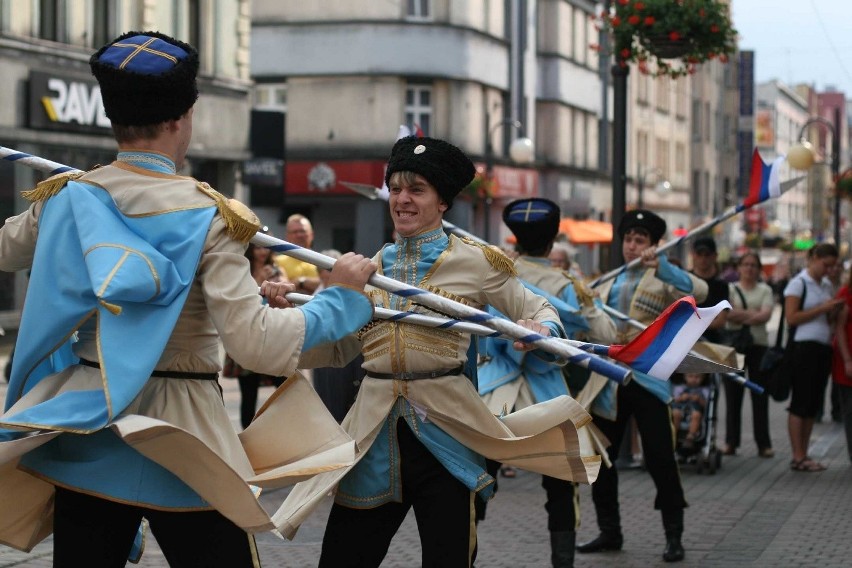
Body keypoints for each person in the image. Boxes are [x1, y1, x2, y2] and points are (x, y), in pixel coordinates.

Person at [0, 31, 378, 567]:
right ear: (183, 116)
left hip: (89, 426)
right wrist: (339, 299)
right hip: (184, 439)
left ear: (112, 117)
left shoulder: (66, 198)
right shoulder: (212, 215)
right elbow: (256, 348)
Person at [273, 136, 599, 567]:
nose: (402, 200)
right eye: (397, 188)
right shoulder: (369, 269)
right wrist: (283, 317)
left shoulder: (479, 262)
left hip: (448, 433)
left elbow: (537, 306)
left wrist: (541, 326)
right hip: (373, 435)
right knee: (343, 557)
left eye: (417, 190)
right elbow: (337, 350)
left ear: (443, 201)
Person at [476, 197, 618, 567]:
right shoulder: (568, 285)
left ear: (514, 239)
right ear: (553, 240)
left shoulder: (494, 273)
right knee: (561, 485)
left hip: (493, 391)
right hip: (546, 391)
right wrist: (589, 302)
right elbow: (606, 334)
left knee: (472, 483)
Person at [577, 209, 709, 563]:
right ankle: (610, 531)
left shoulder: (664, 278)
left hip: (648, 379)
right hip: (607, 381)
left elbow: (701, 289)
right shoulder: (606, 281)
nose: (633, 246)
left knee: (660, 458)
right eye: (629, 239)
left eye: (641, 241)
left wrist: (661, 265)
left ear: (653, 245)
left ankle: (673, 535)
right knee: (602, 459)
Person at [784, 243, 842, 472]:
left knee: (813, 403)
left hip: (823, 347)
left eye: (832, 267)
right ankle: (797, 455)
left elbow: (827, 318)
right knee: (800, 401)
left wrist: (833, 311)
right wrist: (822, 308)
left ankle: (804, 453)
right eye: (826, 265)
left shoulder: (826, 285)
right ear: (814, 258)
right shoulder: (798, 283)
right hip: (803, 348)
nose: (828, 270)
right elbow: (791, 317)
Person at [229, 236, 288, 429]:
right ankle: (247, 437)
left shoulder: (277, 270)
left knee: (287, 388)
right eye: (258, 248)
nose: (263, 252)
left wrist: (279, 282)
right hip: (247, 333)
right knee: (248, 392)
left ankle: (285, 429)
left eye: (266, 248)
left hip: (273, 335)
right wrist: (260, 279)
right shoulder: (242, 270)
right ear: (251, 249)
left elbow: (288, 297)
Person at [722, 251, 775, 457]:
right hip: (734, 346)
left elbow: (766, 316)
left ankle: (764, 444)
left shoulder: (766, 290)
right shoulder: (730, 289)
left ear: (759, 269)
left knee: (760, 394)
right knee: (732, 395)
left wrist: (740, 315)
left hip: (759, 346)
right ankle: (731, 442)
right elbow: (727, 314)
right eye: (746, 264)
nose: (749, 269)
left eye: (753, 265)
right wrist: (753, 314)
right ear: (739, 268)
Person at [311, 248, 366, 422]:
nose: (334, 274)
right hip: (324, 364)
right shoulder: (313, 298)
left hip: (352, 361)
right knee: (330, 411)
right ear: (320, 274)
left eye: (336, 268)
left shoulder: (356, 294)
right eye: (328, 269)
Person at [690, 236, 729, 345]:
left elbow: (720, 321)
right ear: (693, 255)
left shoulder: (721, 285)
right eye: (699, 254)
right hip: (686, 342)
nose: (703, 258)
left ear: (714, 256)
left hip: (713, 342)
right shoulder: (686, 280)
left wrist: (693, 323)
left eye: (707, 255)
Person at [831, 265, 852, 463]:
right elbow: (840, 328)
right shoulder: (846, 293)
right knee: (850, 410)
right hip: (848, 361)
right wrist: (847, 360)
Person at [276, 214, 321, 294]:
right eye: (295, 232)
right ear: (288, 236)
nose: (299, 235)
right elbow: (281, 287)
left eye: (302, 231)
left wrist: (300, 282)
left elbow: (326, 285)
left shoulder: (322, 261)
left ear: (312, 235)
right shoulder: (277, 262)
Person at [671, 373, 710, 449]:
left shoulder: (704, 390)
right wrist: (681, 398)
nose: (694, 379)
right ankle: (673, 434)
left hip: (694, 411)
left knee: (696, 415)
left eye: (697, 377)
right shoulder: (680, 388)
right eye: (690, 376)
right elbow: (673, 400)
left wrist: (699, 399)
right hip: (681, 409)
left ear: (703, 378)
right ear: (685, 377)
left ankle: (690, 436)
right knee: (675, 413)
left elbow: (707, 405)